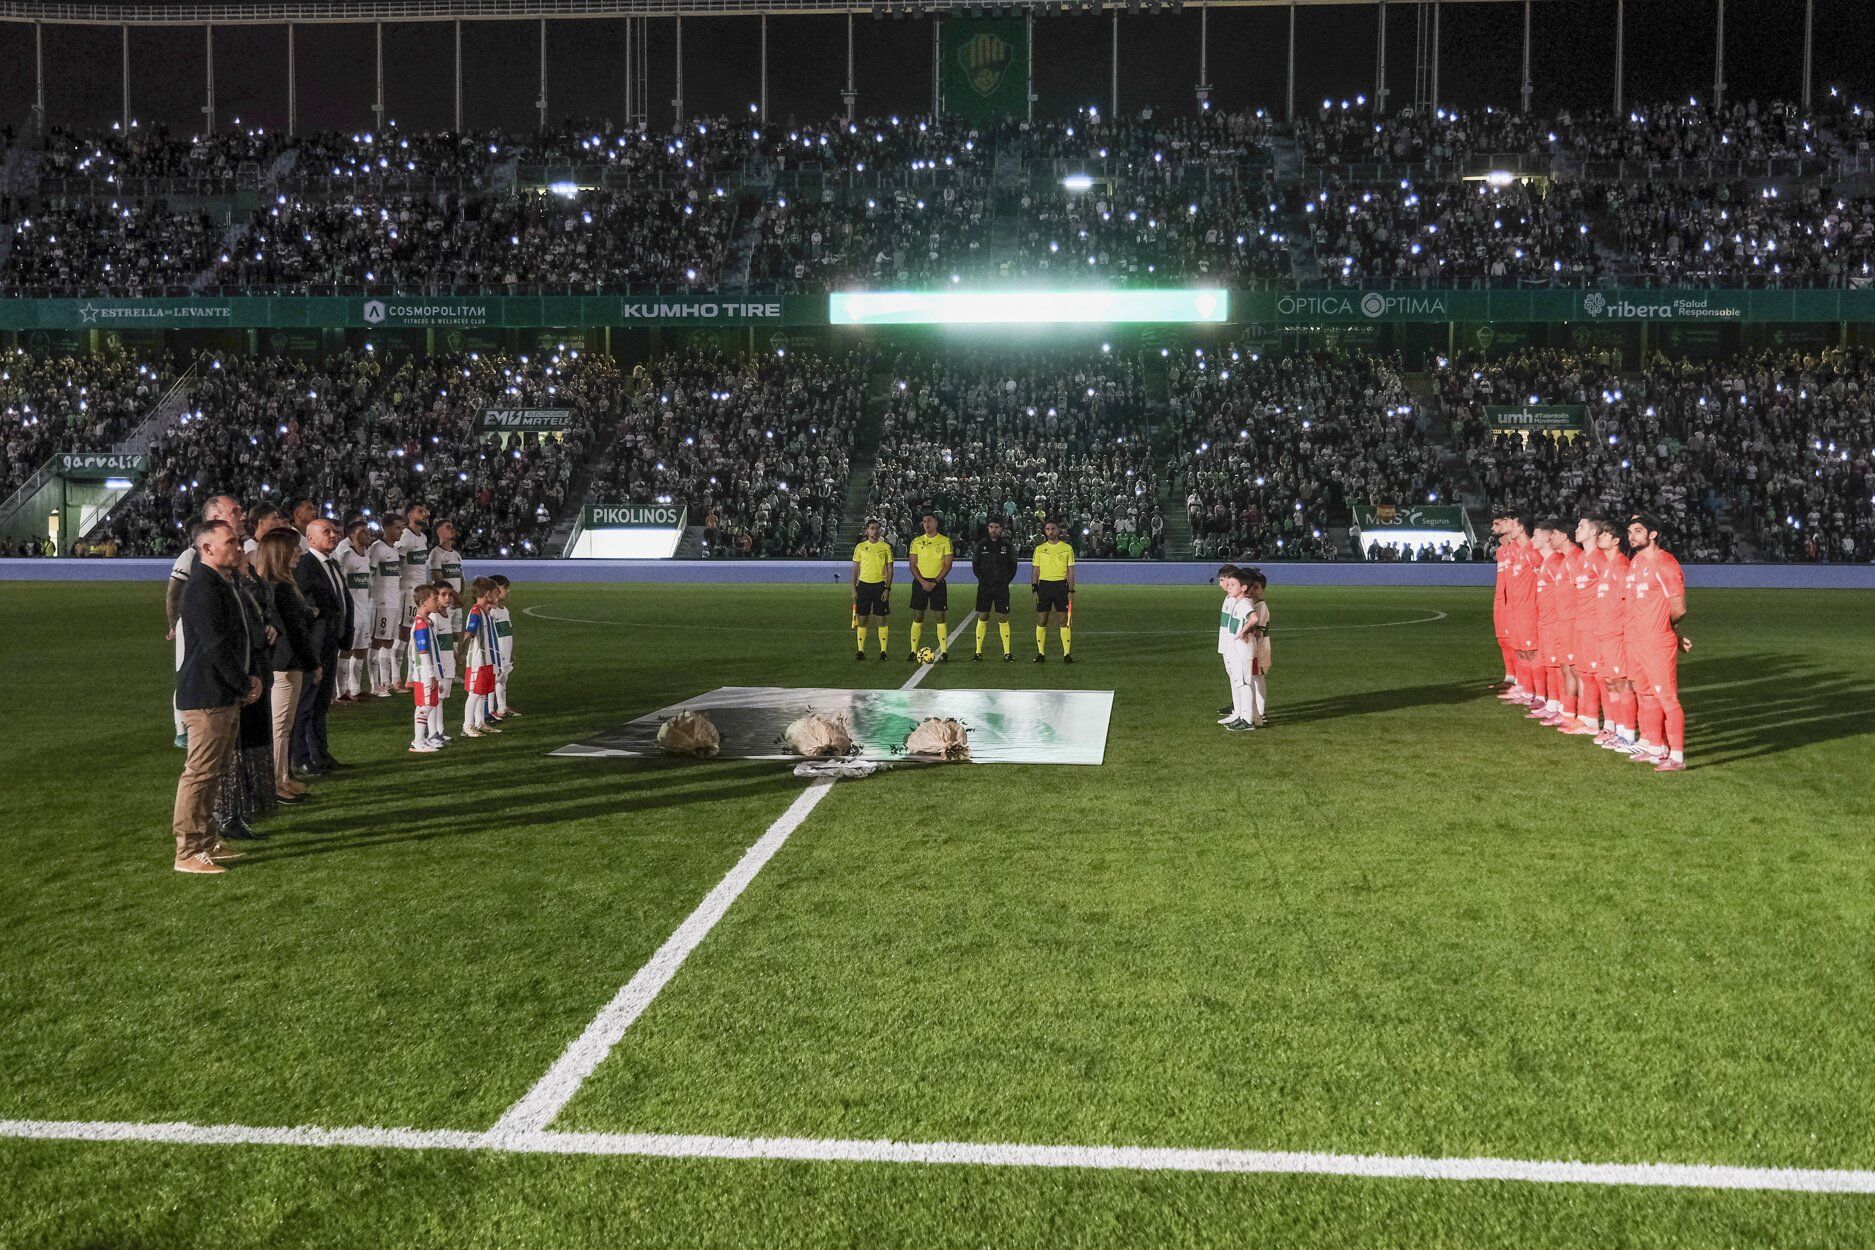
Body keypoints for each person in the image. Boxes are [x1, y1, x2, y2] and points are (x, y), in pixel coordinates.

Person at [172, 519, 262, 875]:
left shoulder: (220, 583)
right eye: (231, 542)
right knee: (199, 773)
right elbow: (215, 645)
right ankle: (188, 850)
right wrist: (242, 682)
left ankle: (206, 842)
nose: (239, 546)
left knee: (212, 772)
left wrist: (242, 681)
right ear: (206, 548)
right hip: (208, 695)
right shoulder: (202, 586)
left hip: (221, 692)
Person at [167, 494, 244, 748]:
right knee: (189, 672)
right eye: (235, 512)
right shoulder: (192, 557)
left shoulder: (233, 557)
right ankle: (182, 727)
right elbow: (174, 590)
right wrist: (173, 622)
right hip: (194, 626)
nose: (241, 516)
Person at [258, 528, 320, 806]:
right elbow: (295, 631)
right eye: (295, 548)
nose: (299, 552)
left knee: (285, 725)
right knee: (280, 726)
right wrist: (313, 663)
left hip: (288, 662)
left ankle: (282, 777)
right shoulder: (279, 588)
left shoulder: (279, 585)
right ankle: (275, 782)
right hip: (285, 664)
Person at [1624, 514, 1692, 772]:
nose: (1632, 535)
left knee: (1667, 698)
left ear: (1652, 534)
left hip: (1656, 642)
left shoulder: (1666, 564)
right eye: (1630, 531)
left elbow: (1679, 608)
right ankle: (1656, 748)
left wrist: (1667, 629)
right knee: (1645, 694)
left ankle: (1677, 756)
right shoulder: (1637, 561)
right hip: (1636, 640)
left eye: (1638, 530)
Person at [292, 517, 348, 775]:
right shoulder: (305, 566)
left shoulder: (331, 563)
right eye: (327, 532)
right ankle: (302, 757)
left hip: (329, 643)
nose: (333, 535)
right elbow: (308, 605)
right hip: (315, 645)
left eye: (334, 531)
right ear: (311, 538)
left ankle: (321, 754)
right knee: (307, 703)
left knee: (322, 702)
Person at [1589, 517, 1639, 753]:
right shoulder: (1608, 566)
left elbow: (1630, 604)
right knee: (1610, 682)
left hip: (1617, 635)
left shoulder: (1621, 567)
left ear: (1616, 540)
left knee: (1622, 683)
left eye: (1605, 535)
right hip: (1604, 634)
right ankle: (1618, 729)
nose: (1600, 537)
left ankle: (1628, 734)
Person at [1499, 514, 1540, 707]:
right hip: (1517, 610)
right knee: (1521, 652)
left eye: (1512, 523)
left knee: (1531, 653)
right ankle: (1526, 689)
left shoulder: (1532, 552)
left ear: (1521, 527)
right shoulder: (1520, 552)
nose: (1509, 527)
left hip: (1529, 612)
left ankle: (1539, 695)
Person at [906, 513, 954, 662]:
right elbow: (912, 565)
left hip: (937, 583)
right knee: (918, 615)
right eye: (924, 521)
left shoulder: (945, 541)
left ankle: (944, 651)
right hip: (920, 583)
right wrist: (922, 581)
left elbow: (948, 565)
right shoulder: (916, 541)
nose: (926, 524)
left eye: (929, 521)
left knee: (940, 616)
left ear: (936, 523)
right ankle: (913, 651)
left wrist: (935, 581)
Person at [336, 519, 374, 702]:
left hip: (364, 611)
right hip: (351, 613)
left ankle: (356, 688)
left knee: (361, 651)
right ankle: (340, 691)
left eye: (368, 531)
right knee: (346, 651)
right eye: (363, 531)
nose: (368, 534)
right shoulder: (346, 556)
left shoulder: (366, 555)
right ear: (352, 535)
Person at [367, 515, 405, 697]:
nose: (401, 531)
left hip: (393, 600)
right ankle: (375, 685)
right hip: (381, 602)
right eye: (397, 528)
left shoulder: (394, 549)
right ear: (387, 528)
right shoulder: (377, 548)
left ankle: (386, 681)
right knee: (377, 641)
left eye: (401, 528)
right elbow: (369, 575)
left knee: (389, 641)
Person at [395, 504, 433, 689]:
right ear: (409, 514)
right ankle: (394, 679)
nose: (425, 514)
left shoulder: (423, 537)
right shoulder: (405, 536)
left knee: (412, 635)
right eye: (420, 511)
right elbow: (397, 560)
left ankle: (410, 677)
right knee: (403, 634)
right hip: (407, 591)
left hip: (419, 592)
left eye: (425, 512)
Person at [461, 577, 503, 738]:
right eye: (494, 593)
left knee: (482, 693)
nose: (496, 597)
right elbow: (469, 632)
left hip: (488, 660)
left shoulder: (486, 612)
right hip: (478, 661)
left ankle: (480, 723)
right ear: (487, 594)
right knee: (475, 693)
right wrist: (461, 653)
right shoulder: (476, 612)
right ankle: (467, 725)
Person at [972, 517, 1017, 662]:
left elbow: (1013, 567)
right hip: (984, 587)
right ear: (988, 528)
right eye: (991, 526)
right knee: (983, 616)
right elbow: (975, 566)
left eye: (996, 527)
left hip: (1001, 587)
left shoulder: (1007, 546)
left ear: (1001, 529)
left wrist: (1004, 581)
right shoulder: (981, 545)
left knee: (1003, 617)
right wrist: (983, 579)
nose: (993, 529)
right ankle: (978, 652)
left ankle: (1007, 652)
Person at [1215, 565, 1254, 731]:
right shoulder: (1231, 599)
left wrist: (1243, 632)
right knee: (1236, 680)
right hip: (1230, 647)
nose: (1223, 585)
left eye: (1226, 581)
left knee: (1243, 682)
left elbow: (1253, 618)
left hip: (1238, 649)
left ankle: (1247, 718)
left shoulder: (1240, 601)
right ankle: (1238, 712)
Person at [1030, 519, 1075, 663]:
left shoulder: (1067, 548)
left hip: (1061, 586)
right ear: (1045, 531)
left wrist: (1071, 590)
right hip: (1044, 587)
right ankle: (1041, 653)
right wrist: (1034, 588)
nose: (1051, 531)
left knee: (1063, 620)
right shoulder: (1039, 549)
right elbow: (1036, 570)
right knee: (1042, 619)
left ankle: (1066, 654)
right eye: (1048, 529)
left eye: (1053, 529)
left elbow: (1071, 571)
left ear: (1058, 531)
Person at [408, 585, 445, 754]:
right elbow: (423, 652)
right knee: (425, 706)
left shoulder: (426, 622)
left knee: (426, 705)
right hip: (424, 674)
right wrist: (431, 675)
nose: (437, 602)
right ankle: (417, 741)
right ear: (423, 602)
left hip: (425, 673)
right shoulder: (422, 625)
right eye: (434, 599)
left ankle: (422, 739)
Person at [850, 519, 893, 661]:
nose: (874, 531)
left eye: (876, 528)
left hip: (880, 586)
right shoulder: (860, 547)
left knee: (881, 619)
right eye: (872, 528)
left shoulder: (886, 547)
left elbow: (890, 569)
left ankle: (883, 651)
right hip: (863, 586)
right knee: (862, 619)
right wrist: (854, 587)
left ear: (880, 530)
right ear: (867, 531)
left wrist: (888, 588)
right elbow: (855, 568)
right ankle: (860, 651)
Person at [1488, 512, 1518, 693]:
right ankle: (1510, 676)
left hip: (1513, 603)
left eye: (1497, 524)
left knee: (1516, 643)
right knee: (1503, 641)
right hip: (1500, 601)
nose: (1493, 528)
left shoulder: (1517, 550)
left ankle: (1520, 681)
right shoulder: (1501, 551)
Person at [1242, 566, 1272, 728]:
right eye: (1251, 587)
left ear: (1263, 589)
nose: (1253, 590)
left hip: (1260, 649)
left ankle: (1260, 711)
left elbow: (1258, 632)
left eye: (1257, 587)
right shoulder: (1254, 605)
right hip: (1256, 648)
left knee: (1258, 678)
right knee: (1254, 678)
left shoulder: (1261, 607)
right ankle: (1255, 709)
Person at [427, 519, 465, 632]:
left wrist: (460, 596)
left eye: (452, 526)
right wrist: (457, 597)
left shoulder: (456, 554)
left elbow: (461, 578)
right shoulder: (436, 554)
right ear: (439, 532)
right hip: (445, 601)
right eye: (448, 527)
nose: (452, 529)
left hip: (456, 603)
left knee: (456, 635)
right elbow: (438, 580)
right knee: (444, 634)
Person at [489, 574, 518, 720]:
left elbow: (509, 632)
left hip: (505, 652)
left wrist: (512, 651)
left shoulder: (504, 610)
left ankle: (502, 707)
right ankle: (489, 711)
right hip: (496, 653)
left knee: (503, 679)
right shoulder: (491, 612)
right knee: (494, 680)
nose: (508, 591)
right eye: (505, 588)